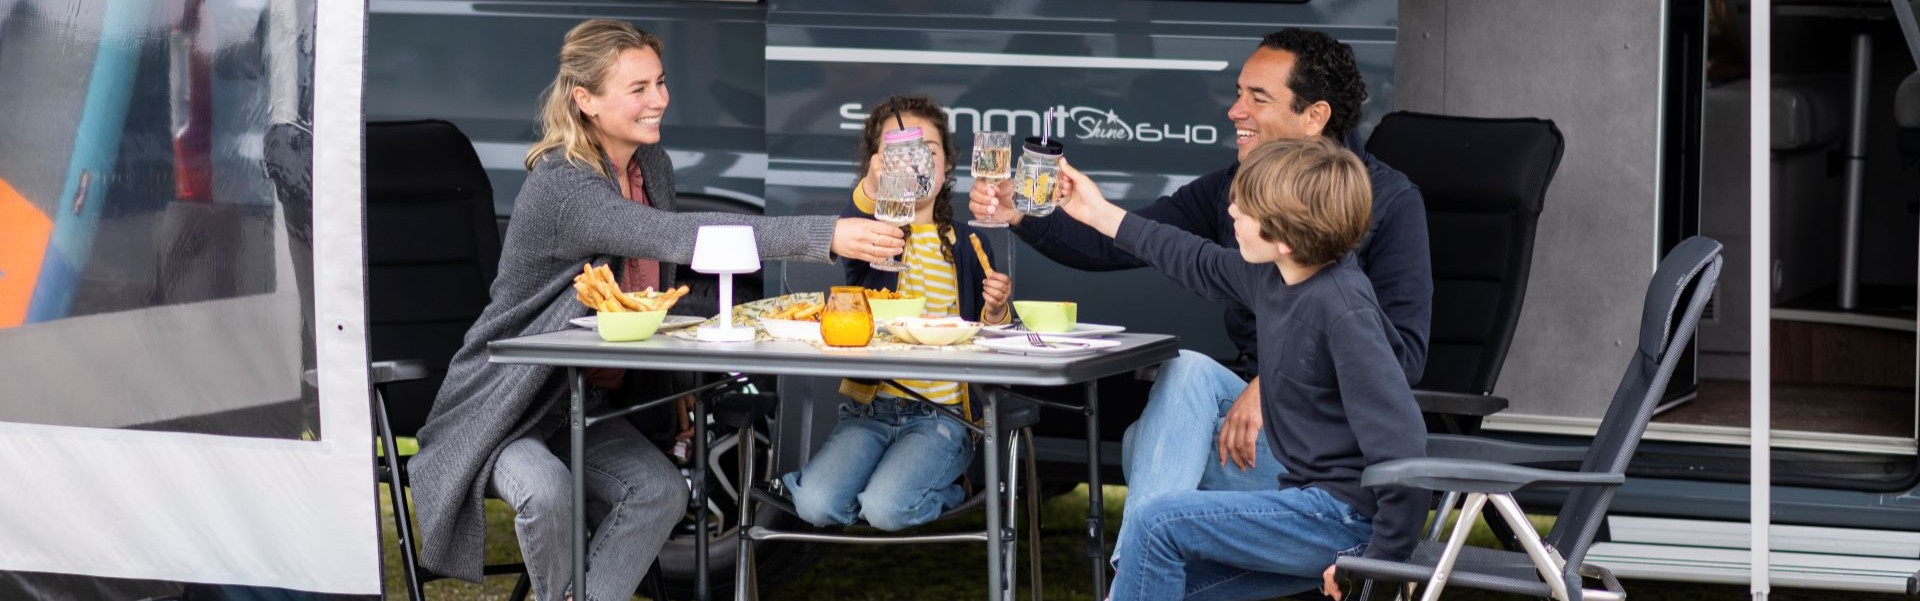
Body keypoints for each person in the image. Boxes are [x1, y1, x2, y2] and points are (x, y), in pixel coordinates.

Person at [406, 19, 906, 601]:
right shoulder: (563, 185)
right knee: (545, 491)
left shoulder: (652, 167)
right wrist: (826, 234)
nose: (659, 100)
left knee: (659, 491)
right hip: (506, 407)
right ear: (586, 100)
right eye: (638, 88)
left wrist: (676, 393)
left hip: (582, 407)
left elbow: (646, 301)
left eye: (660, 82)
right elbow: (673, 237)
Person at [967, 27, 1433, 532]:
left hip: (1328, 446)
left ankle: (1139, 562)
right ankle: (1142, 561)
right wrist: (1025, 215)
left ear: (1314, 116)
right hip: (1251, 417)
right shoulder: (1232, 186)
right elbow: (1135, 245)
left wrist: (1272, 381)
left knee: (1142, 446)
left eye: (1257, 98)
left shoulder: (1389, 202)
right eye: (1238, 93)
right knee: (1184, 372)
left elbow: (1401, 357)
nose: (1234, 111)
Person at [1050, 138, 1424, 600]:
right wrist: (1097, 213)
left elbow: (1402, 445)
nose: (1231, 212)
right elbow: (1190, 256)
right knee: (1154, 575)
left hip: (1345, 519)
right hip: (1305, 502)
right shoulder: (1275, 275)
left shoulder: (1345, 312)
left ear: (1284, 238)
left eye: (1244, 208)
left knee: (1158, 523)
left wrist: (1381, 559)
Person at [781, 94, 1015, 531]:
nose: (916, 163)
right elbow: (852, 219)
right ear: (878, 166)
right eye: (901, 154)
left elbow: (998, 334)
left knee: (886, 509)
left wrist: (997, 309)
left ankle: (942, 488)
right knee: (814, 504)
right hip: (871, 412)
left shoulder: (969, 243)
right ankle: (878, 489)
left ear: (947, 165)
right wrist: (871, 191)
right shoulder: (873, 238)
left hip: (941, 417)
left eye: (928, 151)